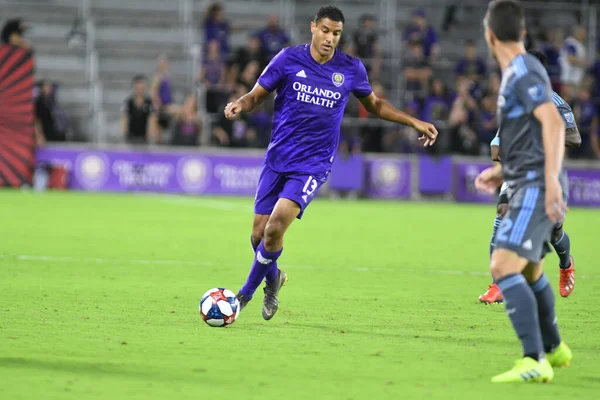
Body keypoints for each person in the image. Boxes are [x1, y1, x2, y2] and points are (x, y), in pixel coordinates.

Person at [224, 5, 438, 321]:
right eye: (325, 30)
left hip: (312, 163)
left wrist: (413, 121)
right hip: (278, 158)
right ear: (313, 28)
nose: (330, 38)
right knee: (259, 237)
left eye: (336, 33)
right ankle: (275, 279)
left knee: (275, 227)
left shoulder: (350, 68)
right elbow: (256, 95)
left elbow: (375, 104)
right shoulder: (287, 58)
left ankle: (245, 296)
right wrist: (239, 104)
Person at [475, 0, 572, 383]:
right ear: (523, 32)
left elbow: (552, 122)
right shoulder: (517, 73)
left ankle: (533, 359)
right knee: (531, 271)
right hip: (524, 178)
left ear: (489, 34)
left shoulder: (521, 70)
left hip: (535, 184)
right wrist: (502, 174)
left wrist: (548, 181)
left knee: (502, 266)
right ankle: (555, 349)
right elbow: (529, 135)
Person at [479, 49, 581, 304]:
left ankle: (566, 264)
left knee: (553, 233)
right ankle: (497, 285)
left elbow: (574, 138)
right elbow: (496, 147)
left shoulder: (555, 103)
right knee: (502, 212)